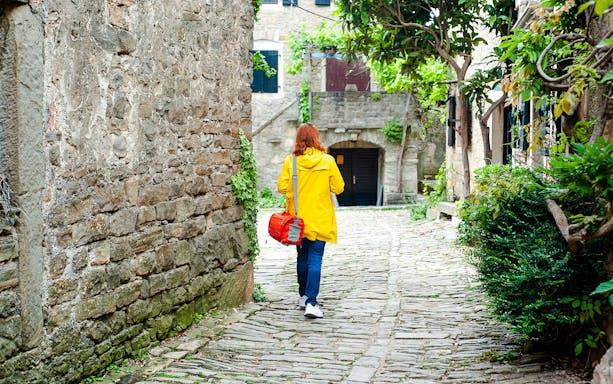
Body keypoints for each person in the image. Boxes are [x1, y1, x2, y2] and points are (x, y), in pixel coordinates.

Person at [277, 123, 345, 318]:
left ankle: (303, 296)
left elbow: (282, 188)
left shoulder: (291, 161)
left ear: (299, 139)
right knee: (315, 259)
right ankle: (312, 303)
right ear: (316, 138)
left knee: (302, 258)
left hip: (298, 221)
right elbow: (338, 188)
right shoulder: (328, 161)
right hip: (321, 219)